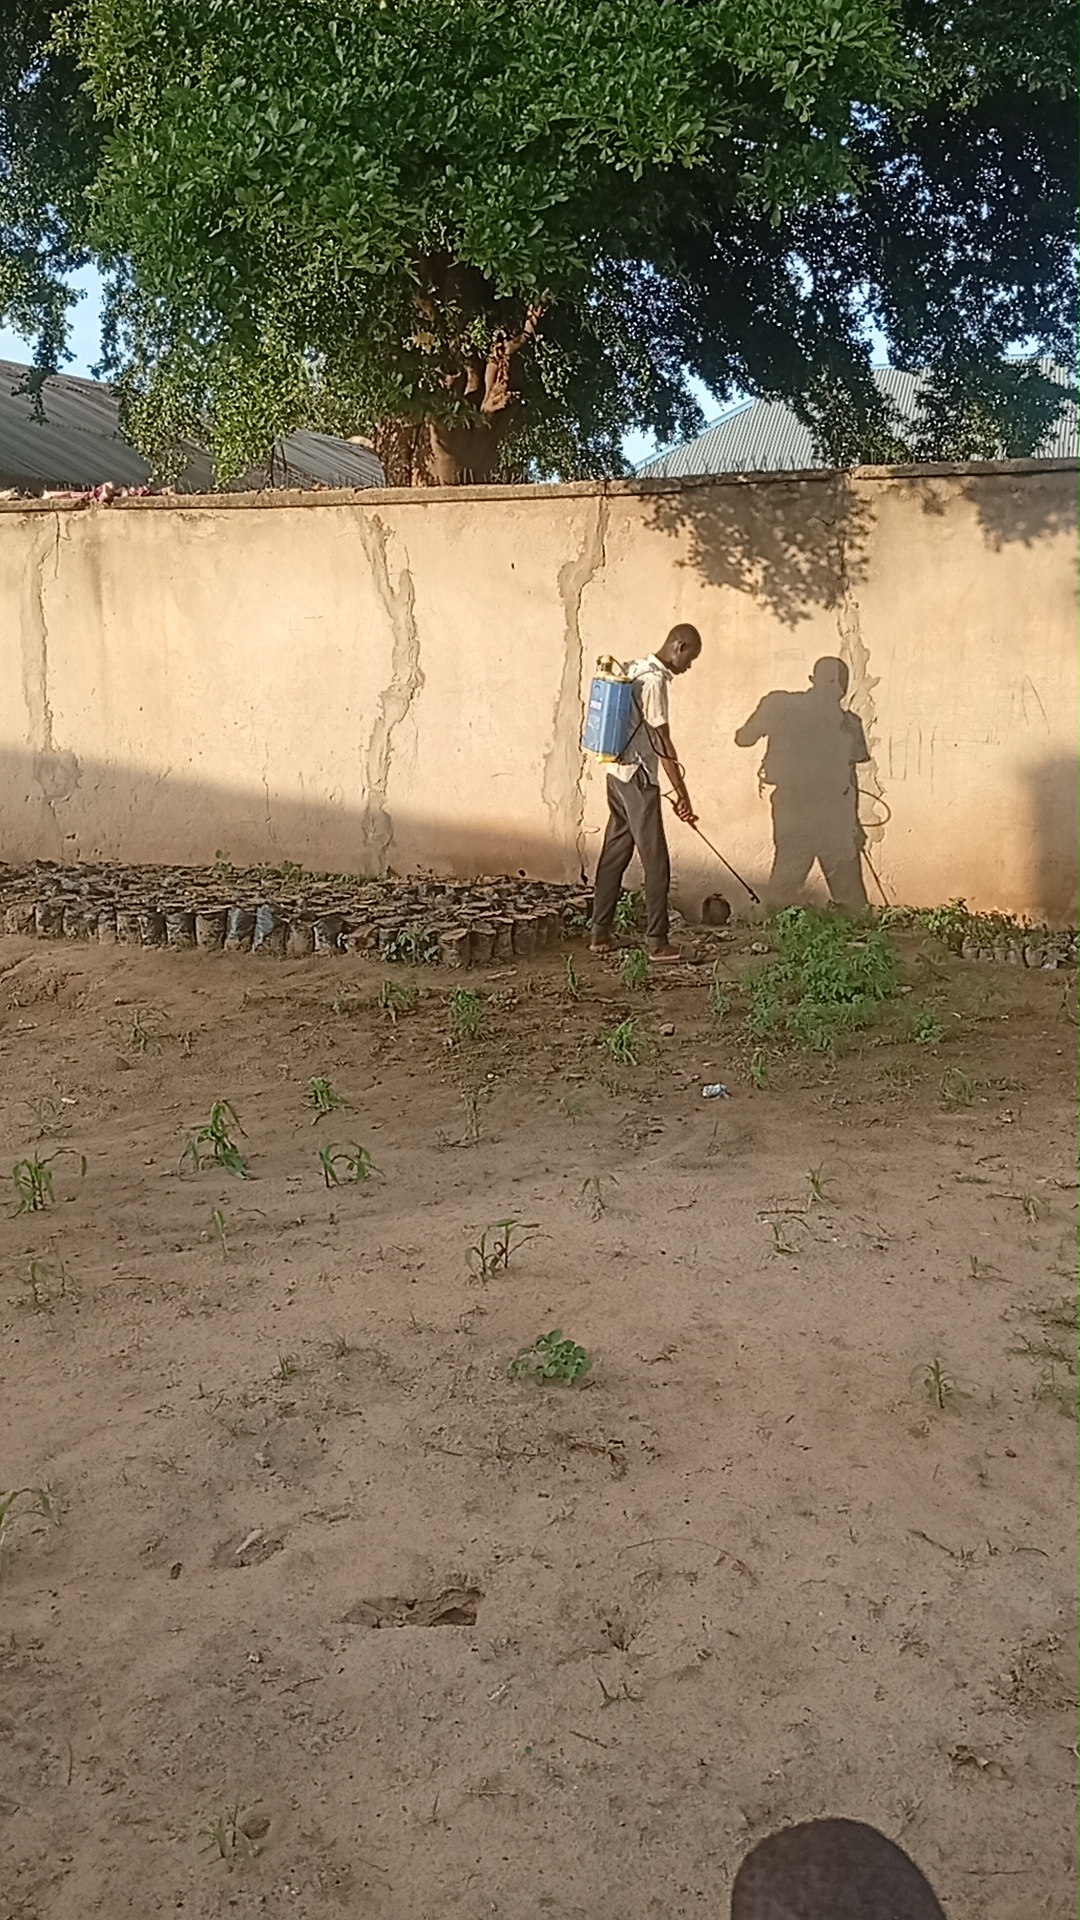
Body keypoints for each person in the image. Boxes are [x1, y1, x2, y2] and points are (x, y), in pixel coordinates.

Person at [590, 623, 702, 962]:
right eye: (690, 658)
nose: (688, 667)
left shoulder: (634, 667)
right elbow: (661, 741)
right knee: (656, 861)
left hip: (616, 775)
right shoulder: (653, 682)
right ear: (678, 646)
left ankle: (601, 933)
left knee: (614, 854)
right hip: (638, 779)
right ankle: (658, 943)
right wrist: (682, 794)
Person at [735, 655, 870, 910]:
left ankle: (777, 933)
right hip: (822, 813)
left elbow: (743, 737)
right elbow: (743, 738)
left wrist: (855, 824)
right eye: (834, 682)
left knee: (834, 892)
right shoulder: (844, 722)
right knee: (835, 892)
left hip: (809, 812)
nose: (837, 689)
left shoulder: (783, 707)